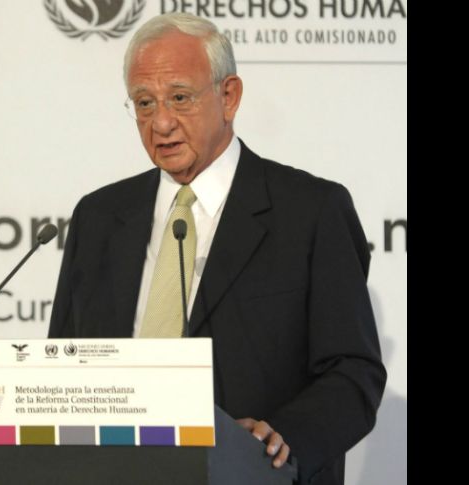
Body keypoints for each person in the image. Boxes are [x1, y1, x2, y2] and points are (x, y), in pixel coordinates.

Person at [47, 12, 386, 485]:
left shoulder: (310, 212)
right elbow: (63, 362)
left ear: (229, 97)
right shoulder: (99, 217)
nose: (161, 122)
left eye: (179, 97)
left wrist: (283, 438)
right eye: (144, 103)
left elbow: (353, 372)